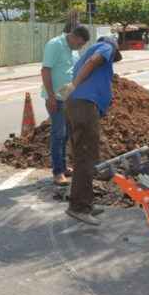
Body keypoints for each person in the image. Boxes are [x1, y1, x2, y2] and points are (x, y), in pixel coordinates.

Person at [59, 36, 123, 226]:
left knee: (83, 155)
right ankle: (79, 207)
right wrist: (75, 85)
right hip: (84, 105)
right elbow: (94, 61)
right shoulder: (106, 47)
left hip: (77, 104)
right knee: (86, 156)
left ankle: (84, 203)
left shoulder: (87, 53)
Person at [41, 26, 90, 186]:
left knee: (66, 134)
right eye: (80, 44)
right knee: (58, 134)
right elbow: (45, 70)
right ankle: (57, 172)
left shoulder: (73, 50)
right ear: (74, 37)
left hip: (69, 98)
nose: (80, 47)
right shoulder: (55, 44)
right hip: (56, 98)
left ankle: (63, 167)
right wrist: (51, 96)